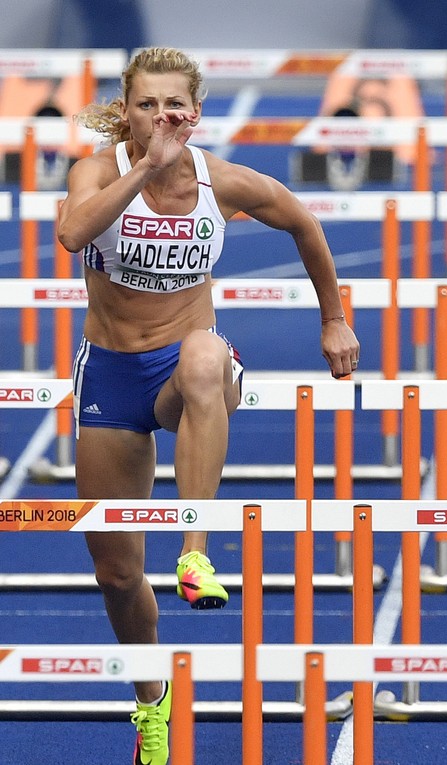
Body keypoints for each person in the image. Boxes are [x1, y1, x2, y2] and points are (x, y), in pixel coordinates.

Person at [56, 47, 359, 765]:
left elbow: (305, 226)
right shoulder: (98, 172)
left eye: (174, 106)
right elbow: (72, 235)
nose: (161, 117)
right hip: (112, 375)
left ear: (194, 113)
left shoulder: (222, 181)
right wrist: (144, 166)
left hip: (188, 370)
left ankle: (195, 552)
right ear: (126, 111)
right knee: (117, 573)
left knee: (202, 353)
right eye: (146, 105)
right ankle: (152, 703)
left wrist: (332, 318)